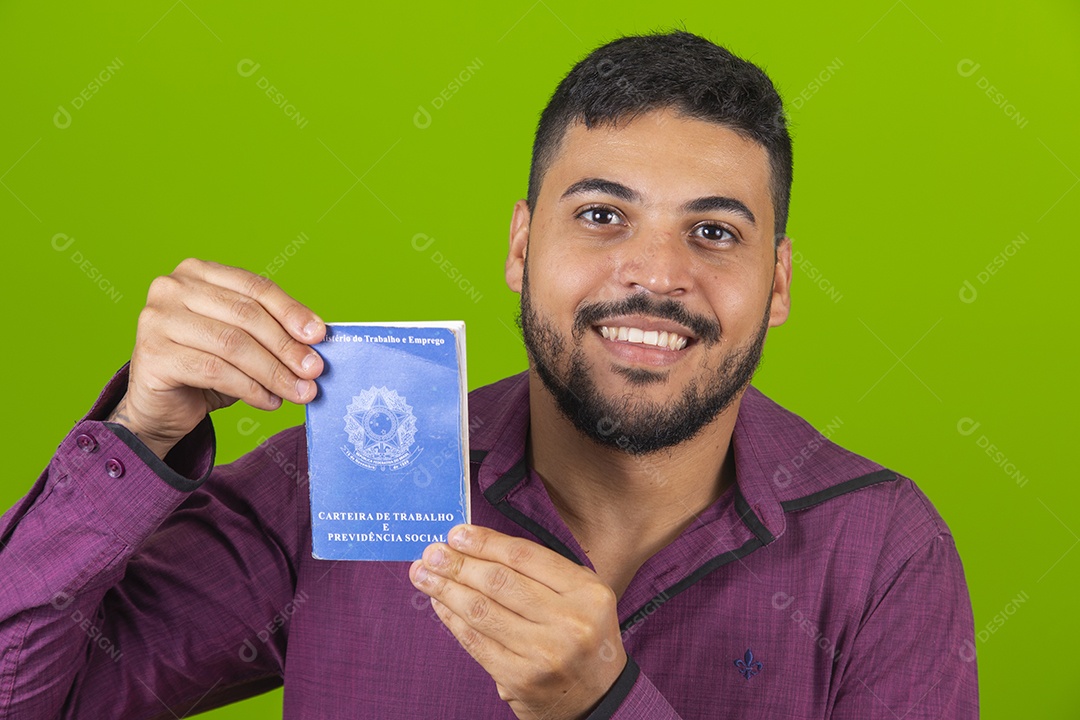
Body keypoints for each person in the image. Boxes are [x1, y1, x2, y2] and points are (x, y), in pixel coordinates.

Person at [0, 30, 978, 719]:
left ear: (778, 283)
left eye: (714, 232)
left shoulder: (883, 551)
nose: (654, 275)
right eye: (601, 215)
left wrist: (604, 708)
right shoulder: (341, 485)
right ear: (520, 248)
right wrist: (140, 431)